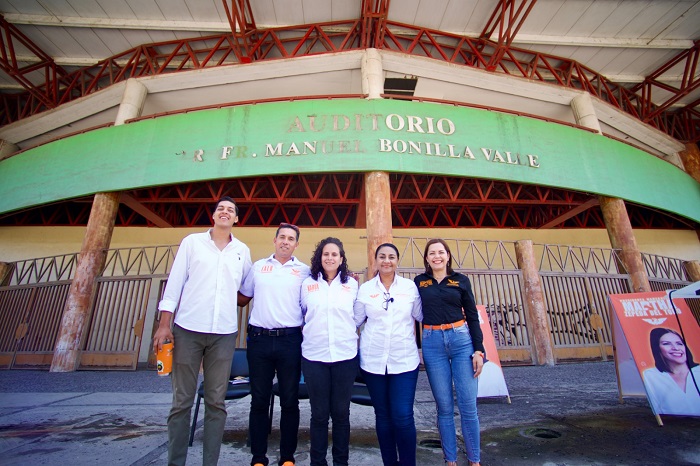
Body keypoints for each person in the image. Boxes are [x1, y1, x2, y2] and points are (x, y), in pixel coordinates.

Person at [152, 196, 252, 466]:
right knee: (181, 402)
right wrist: (164, 324)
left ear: (236, 219)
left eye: (230, 210)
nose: (225, 212)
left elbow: (245, 292)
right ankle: (176, 462)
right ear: (214, 215)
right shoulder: (192, 243)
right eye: (221, 208)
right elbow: (174, 285)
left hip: (224, 334)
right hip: (187, 330)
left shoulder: (242, 250)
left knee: (216, 403)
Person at [238, 223, 311, 466]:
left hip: (290, 341)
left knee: (289, 401)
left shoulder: (304, 271)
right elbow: (242, 297)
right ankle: (259, 457)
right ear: (275, 240)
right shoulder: (259, 267)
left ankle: (287, 457)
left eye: (291, 238)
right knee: (259, 400)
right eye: (282, 237)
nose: (286, 242)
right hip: (259, 340)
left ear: (296, 244)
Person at [414, 239, 484, 466]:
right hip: (432, 343)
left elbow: (472, 316)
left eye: (440, 252)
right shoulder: (419, 282)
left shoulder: (461, 280)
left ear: (448, 255)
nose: (437, 256)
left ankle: (474, 459)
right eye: (432, 253)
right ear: (426, 258)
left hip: (461, 340)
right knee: (444, 406)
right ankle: (450, 460)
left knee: (467, 404)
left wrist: (479, 350)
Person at [353, 242, 422, 466]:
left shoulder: (410, 287)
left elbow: (422, 315)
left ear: (397, 260)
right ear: (376, 260)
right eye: (382, 256)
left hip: (404, 361)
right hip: (373, 362)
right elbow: (355, 320)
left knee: (402, 416)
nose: (386, 261)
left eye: (391, 256)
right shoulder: (365, 289)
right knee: (382, 417)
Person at [300, 237, 359, 466]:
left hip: (345, 356)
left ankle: (340, 462)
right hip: (315, 357)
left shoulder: (351, 284)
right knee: (319, 415)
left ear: (341, 259)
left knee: (342, 414)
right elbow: (301, 313)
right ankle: (318, 462)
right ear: (319, 257)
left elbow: (358, 315)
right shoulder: (307, 284)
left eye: (335, 254)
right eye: (326, 254)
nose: (330, 258)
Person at [643, 327, 700, 416]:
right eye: (666, 344)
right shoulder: (651, 375)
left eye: (679, 343)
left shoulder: (698, 371)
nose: (676, 348)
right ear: (657, 349)